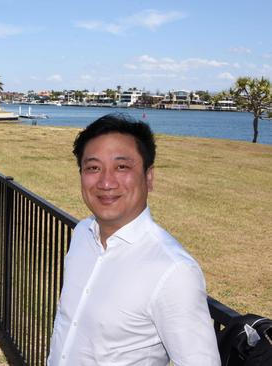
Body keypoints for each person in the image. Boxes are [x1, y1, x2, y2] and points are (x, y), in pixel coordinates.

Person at [47, 114, 220, 365]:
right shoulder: (83, 235)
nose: (106, 182)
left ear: (149, 177)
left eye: (122, 167)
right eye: (93, 167)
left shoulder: (173, 271)